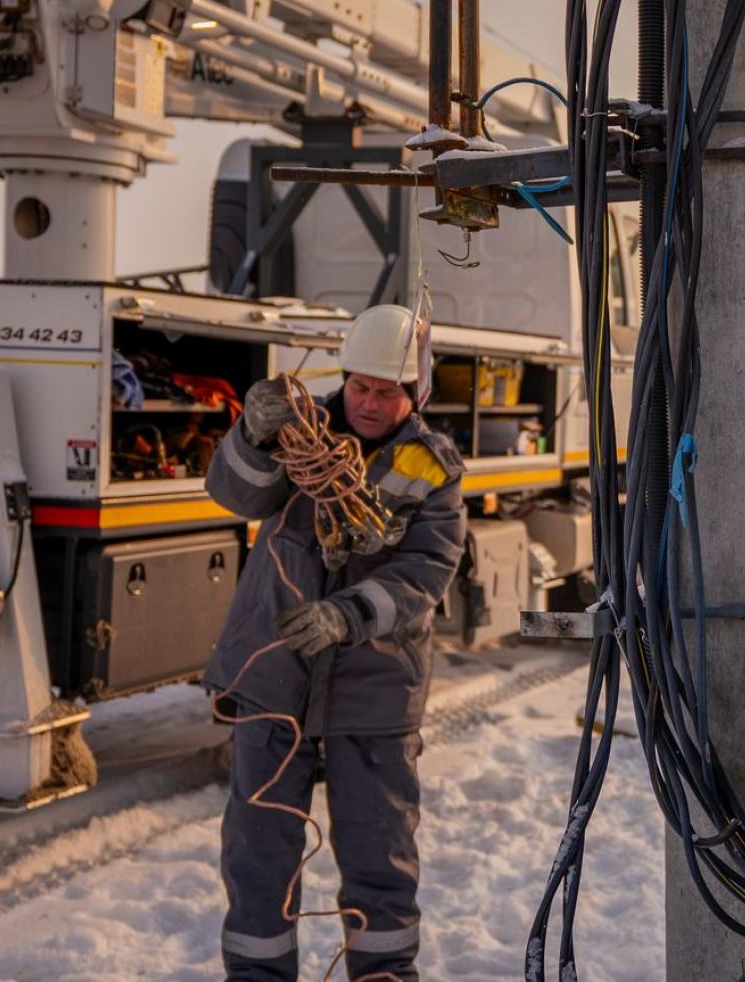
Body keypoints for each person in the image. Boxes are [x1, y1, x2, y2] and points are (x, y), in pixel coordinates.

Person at [203, 304, 465, 981]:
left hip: (373, 693)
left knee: (380, 858)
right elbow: (235, 494)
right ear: (343, 378)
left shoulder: (432, 467)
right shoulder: (296, 433)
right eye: (359, 386)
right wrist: (250, 437)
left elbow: (427, 571)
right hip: (273, 681)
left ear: (416, 394)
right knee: (259, 856)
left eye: (387, 391)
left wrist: (346, 616)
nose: (370, 403)